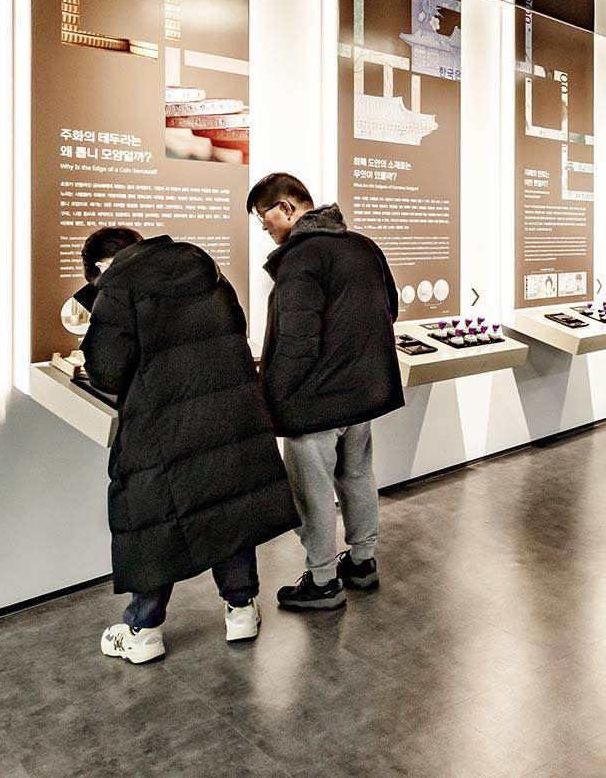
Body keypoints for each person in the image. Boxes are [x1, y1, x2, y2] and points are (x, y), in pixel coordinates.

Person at [77, 227, 299, 665]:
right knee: (228, 507)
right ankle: (241, 610)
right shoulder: (205, 270)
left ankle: (142, 630)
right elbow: (236, 328)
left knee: (153, 520)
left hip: (163, 424)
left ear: (102, 266)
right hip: (227, 414)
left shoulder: (119, 287)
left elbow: (105, 369)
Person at [249, 173, 404, 611]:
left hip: (314, 402)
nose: (266, 230)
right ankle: (362, 561)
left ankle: (321, 581)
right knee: (357, 475)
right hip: (362, 394)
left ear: (286, 208)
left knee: (312, 491)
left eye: (264, 219)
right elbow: (390, 308)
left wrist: (273, 401)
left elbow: (296, 341)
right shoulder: (363, 246)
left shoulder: (300, 258)